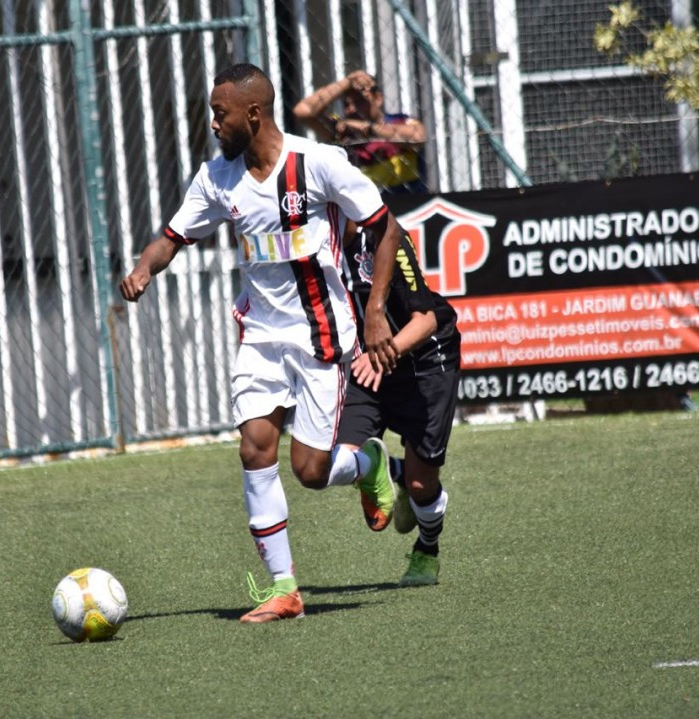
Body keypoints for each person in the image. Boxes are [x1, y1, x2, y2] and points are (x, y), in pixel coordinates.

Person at [120, 63, 406, 624]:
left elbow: (385, 226)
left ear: (253, 114)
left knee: (311, 472)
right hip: (259, 336)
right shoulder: (216, 179)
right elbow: (172, 237)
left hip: (321, 334)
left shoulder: (318, 163)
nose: (212, 123)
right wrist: (143, 269)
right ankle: (284, 588)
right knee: (254, 448)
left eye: (219, 113)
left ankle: (370, 460)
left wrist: (375, 311)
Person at [337, 222, 461, 586]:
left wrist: (382, 353)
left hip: (425, 360)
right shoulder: (311, 242)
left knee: (422, 486)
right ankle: (387, 469)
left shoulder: (385, 236)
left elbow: (426, 320)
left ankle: (427, 550)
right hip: (367, 363)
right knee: (335, 459)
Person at [293, 69, 427, 194]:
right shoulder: (342, 128)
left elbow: (418, 137)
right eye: (346, 104)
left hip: (406, 200)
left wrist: (369, 129)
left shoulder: (400, 122)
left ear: (378, 99)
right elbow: (303, 112)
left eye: (360, 101)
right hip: (360, 209)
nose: (352, 109)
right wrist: (345, 83)